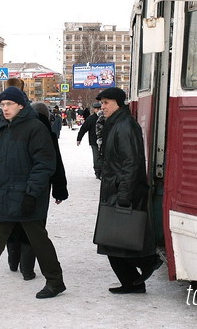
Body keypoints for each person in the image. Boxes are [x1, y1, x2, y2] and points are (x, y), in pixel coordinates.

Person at [0, 86, 66, 304]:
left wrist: (31, 195)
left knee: (38, 241)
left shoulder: (36, 128)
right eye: (2, 104)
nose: (4, 108)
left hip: (26, 197)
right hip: (5, 196)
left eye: (9, 104)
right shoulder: (5, 129)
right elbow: (0, 163)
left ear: (21, 106)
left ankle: (55, 281)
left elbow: (44, 165)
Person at [95, 87, 161, 294]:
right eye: (102, 103)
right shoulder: (116, 124)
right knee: (115, 241)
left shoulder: (124, 126)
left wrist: (124, 193)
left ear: (118, 103)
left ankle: (146, 265)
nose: (102, 107)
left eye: (106, 103)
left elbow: (131, 163)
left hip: (121, 189)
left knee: (113, 240)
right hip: (116, 187)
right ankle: (134, 280)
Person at [5, 101, 68, 281]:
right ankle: (27, 270)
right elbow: (57, 165)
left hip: (15, 185)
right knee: (35, 225)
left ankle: (12, 260)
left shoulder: (18, 129)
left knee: (14, 222)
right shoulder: (48, 133)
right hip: (40, 187)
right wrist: (59, 190)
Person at [76, 102, 103, 179]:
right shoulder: (91, 119)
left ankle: (103, 171)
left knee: (104, 156)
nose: (98, 110)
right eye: (97, 109)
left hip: (105, 141)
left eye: (100, 109)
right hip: (94, 141)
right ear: (94, 109)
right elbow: (83, 128)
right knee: (96, 157)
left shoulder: (106, 117)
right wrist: (79, 138)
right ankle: (98, 172)